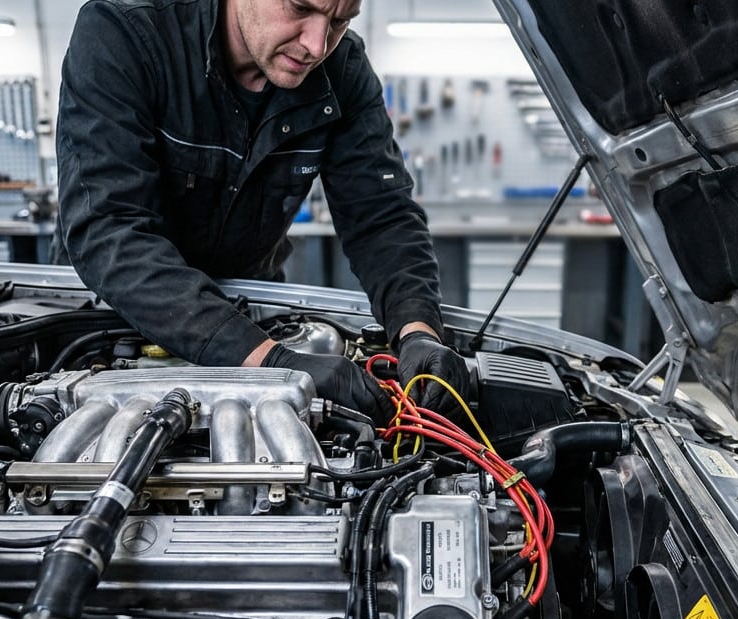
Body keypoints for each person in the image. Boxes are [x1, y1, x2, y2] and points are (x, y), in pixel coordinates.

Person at [53, 0, 468, 420]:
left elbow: (382, 218)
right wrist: (271, 364)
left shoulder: (342, 69)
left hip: (251, 308)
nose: (317, 44)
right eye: (301, 7)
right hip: (106, 318)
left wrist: (418, 330)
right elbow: (110, 230)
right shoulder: (124, 33)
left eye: (340, 21)